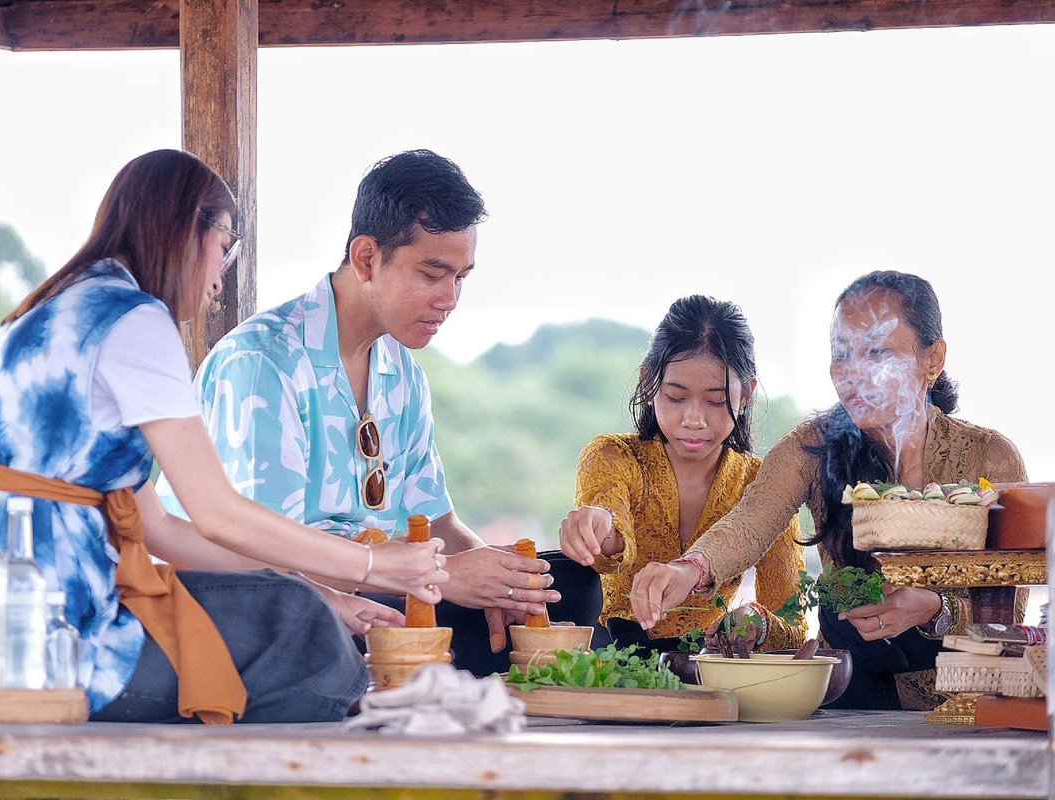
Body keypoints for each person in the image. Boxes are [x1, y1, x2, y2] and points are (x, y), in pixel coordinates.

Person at [0, 149, 447, 725]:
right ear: (185, 228)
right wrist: (373, 568)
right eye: (223, 247)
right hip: (56, 627)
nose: (220, 277)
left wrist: (326, 594)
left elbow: (158, 528)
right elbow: (216, 513)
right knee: (300, 635)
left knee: (305, 610)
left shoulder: (50, 310)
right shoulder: (136, 320)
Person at [160, 149, 594, 676]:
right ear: (366, 258)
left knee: (566, 589)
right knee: (319, 627)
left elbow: (436, 520)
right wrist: (442, 577)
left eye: (462, 277)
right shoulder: (262, 363)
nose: (451, 298)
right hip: (285, 601)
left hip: (390, 593)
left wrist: (500, 583)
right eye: (433, 274)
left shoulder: (402, 371)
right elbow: (263, 556)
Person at [628, 270, 1028, 709]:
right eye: (842, 354)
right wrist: (688, 570)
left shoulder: (989, 457)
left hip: (967, 705)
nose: (855, 375)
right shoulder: (812, 446)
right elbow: (750, 520)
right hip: (851, 692)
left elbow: (1014, 616)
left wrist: (937, 610)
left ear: (932, 358)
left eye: (877, 353)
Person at [559, 295, 807, 657]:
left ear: (745, 395)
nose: (694, 419)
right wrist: (597, 527)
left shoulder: (764, 486)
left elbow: (794, 623)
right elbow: (611, 544)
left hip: (710, 669)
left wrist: (754, 622)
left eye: (715, 401)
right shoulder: (612, 456)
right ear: (649, 383)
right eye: (675, 397)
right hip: (610, 662)